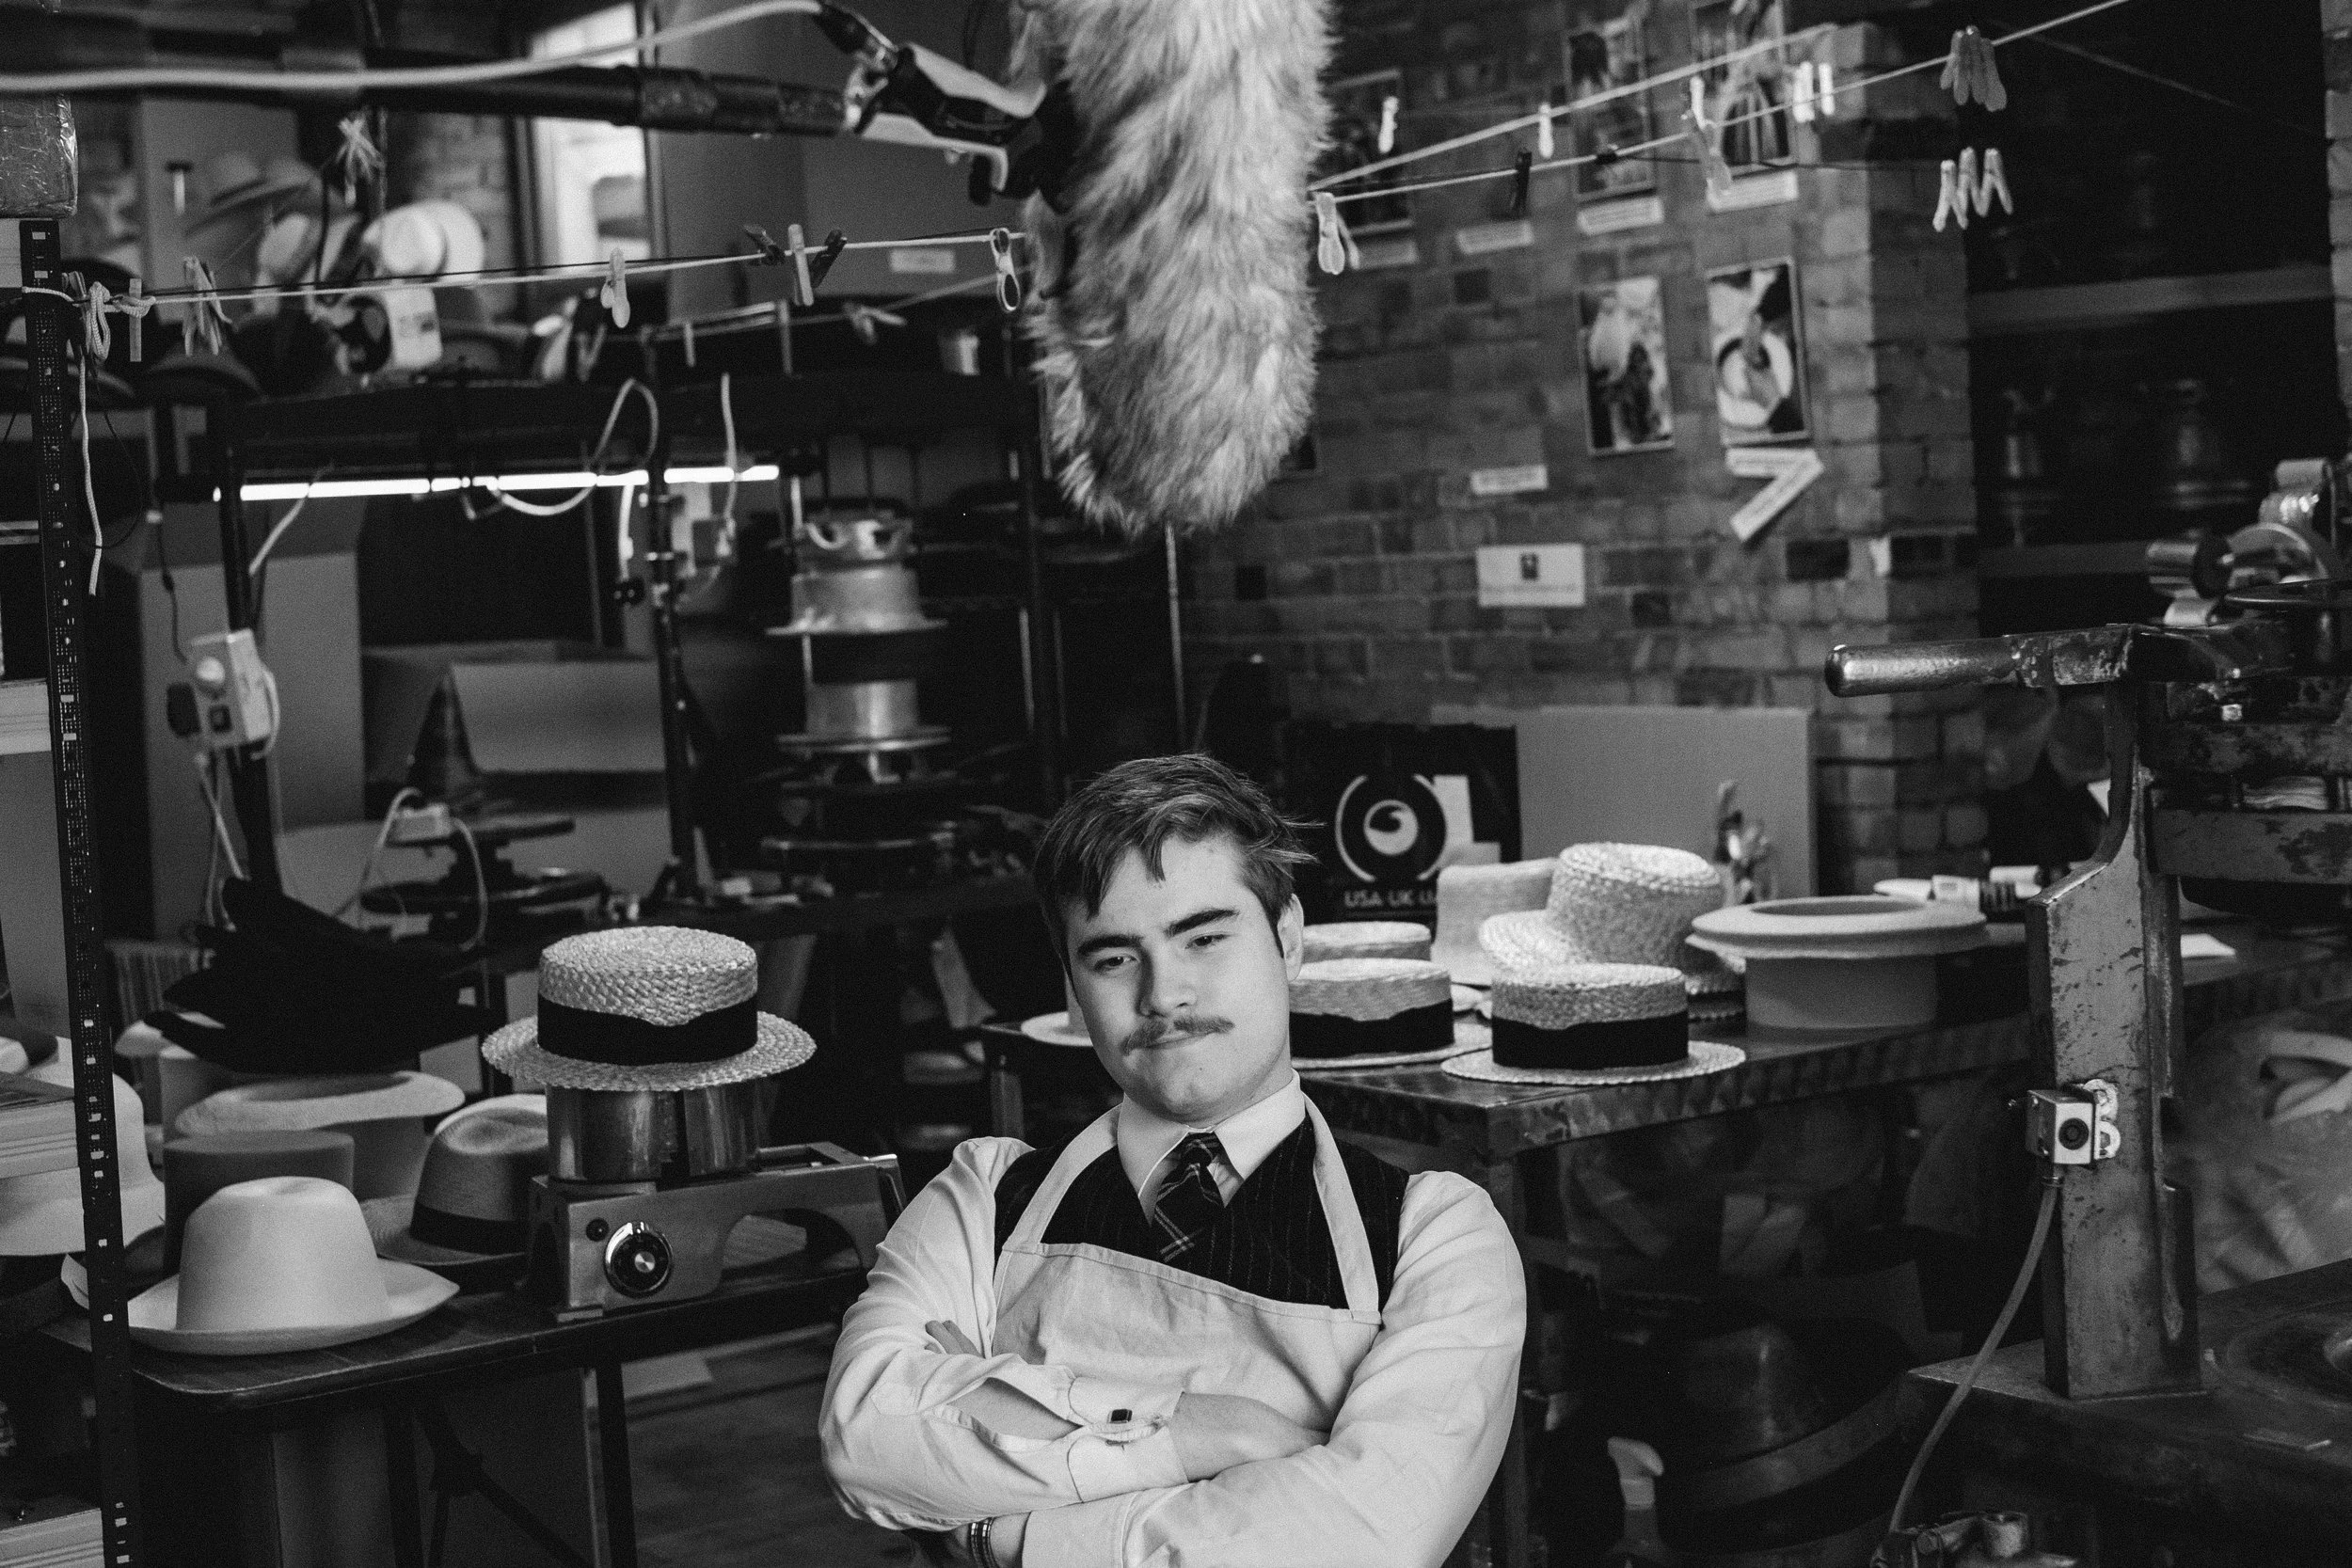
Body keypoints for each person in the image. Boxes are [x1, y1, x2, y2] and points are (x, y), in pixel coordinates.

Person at [823, 754, 1526, 1567]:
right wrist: (1205, 1433)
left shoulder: (1434, 1236)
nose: (1163, 994)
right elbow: (864, 1434)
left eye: (1204, 936)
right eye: (1114, 957)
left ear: (1288, 937)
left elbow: (1364, 1539)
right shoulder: (984, 1197)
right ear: (1072, 985)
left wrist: (1005, 1536)